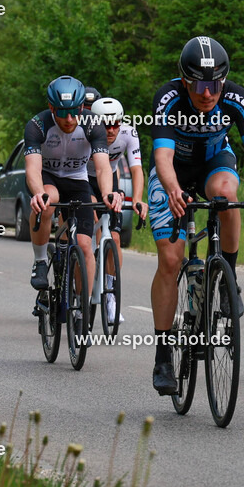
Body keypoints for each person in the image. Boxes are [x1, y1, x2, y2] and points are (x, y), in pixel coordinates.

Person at [147, 36, 244, 395]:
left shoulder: (235, 96)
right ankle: (162, 355)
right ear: (185, 80)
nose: (208, 93)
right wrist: (173, 190)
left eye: (216, 84)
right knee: (171, 261)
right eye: (201, 85)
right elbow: (162, 158)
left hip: (215, 162)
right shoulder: (168, 98)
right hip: (175, 169)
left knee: (226, 195)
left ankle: (227, 274)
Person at [25, 76, 121, 300]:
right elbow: (32, 168)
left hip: (78, 180)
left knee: (85, 246)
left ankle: (82, 308)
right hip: (48, 177)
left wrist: (108, 192)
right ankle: (40, 261)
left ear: (81, 107)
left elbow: (103, 167)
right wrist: (39, 193)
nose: (69, 119)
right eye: (61, 112)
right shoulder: (37, 125)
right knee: (49, 200)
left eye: (74, 112)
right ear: (51, 108)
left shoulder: (93, 124)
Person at [88, 96, 147, 324]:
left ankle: (110, 294)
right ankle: (82, 271)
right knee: (89, 222)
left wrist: (139, 198)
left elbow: (137, 169)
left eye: (116, 123)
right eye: (106, 123)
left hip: (110, 179)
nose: (111, 129)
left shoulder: (128, 134)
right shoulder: (86, 131)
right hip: (83, 179)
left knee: (114, 237)